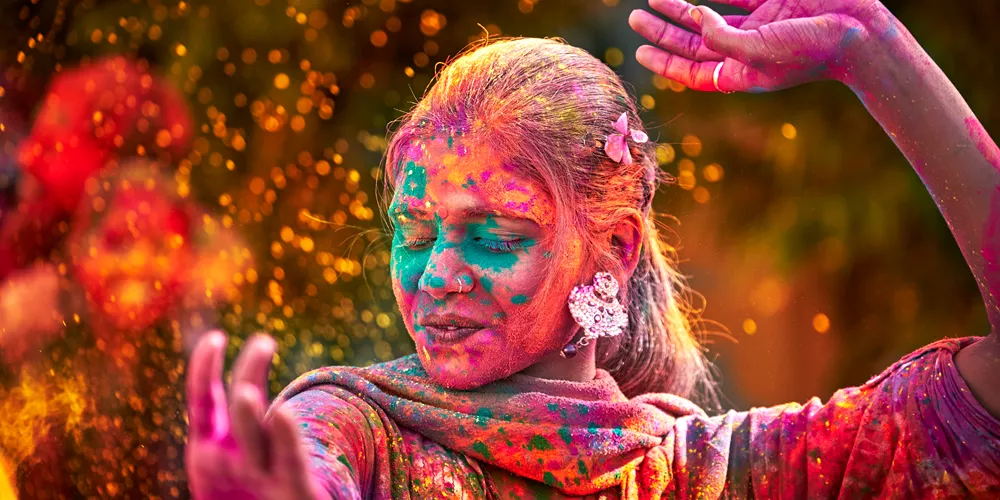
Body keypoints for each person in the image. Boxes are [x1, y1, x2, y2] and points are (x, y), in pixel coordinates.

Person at [184, 0, 1000, 497]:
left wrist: (870, 45)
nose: (436, 274)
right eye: (416, 231)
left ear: (613, 248)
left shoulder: (719, 475)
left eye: (495, 235)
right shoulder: (353, 432)